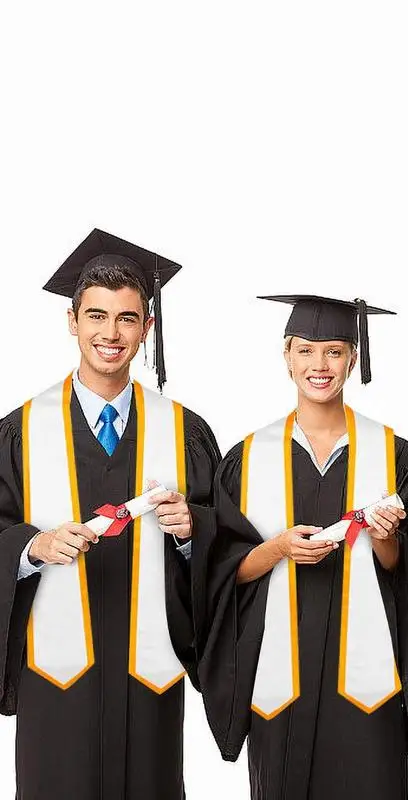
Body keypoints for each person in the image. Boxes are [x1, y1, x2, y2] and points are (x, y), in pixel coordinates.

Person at [0, 229, 220, 800]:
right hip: (55, 678)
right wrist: (31, 547)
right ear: (72, 320)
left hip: (150, 673)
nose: (110, 333)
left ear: (147, 327)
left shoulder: (184, 431)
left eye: (127, 318)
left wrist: (194, 532)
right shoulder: (21, 431)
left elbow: (229, 548)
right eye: (97, 316)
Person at [200, 294, 408, 800]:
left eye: (334, 351)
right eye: (306, 350)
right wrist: (279, 548)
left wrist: (388, 538)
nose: (319, 365)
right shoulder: (247, 458)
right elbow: (222, 571)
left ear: (354, 357)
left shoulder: (398, 457)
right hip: (279, 681)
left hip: (369, 683)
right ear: (286, 355)